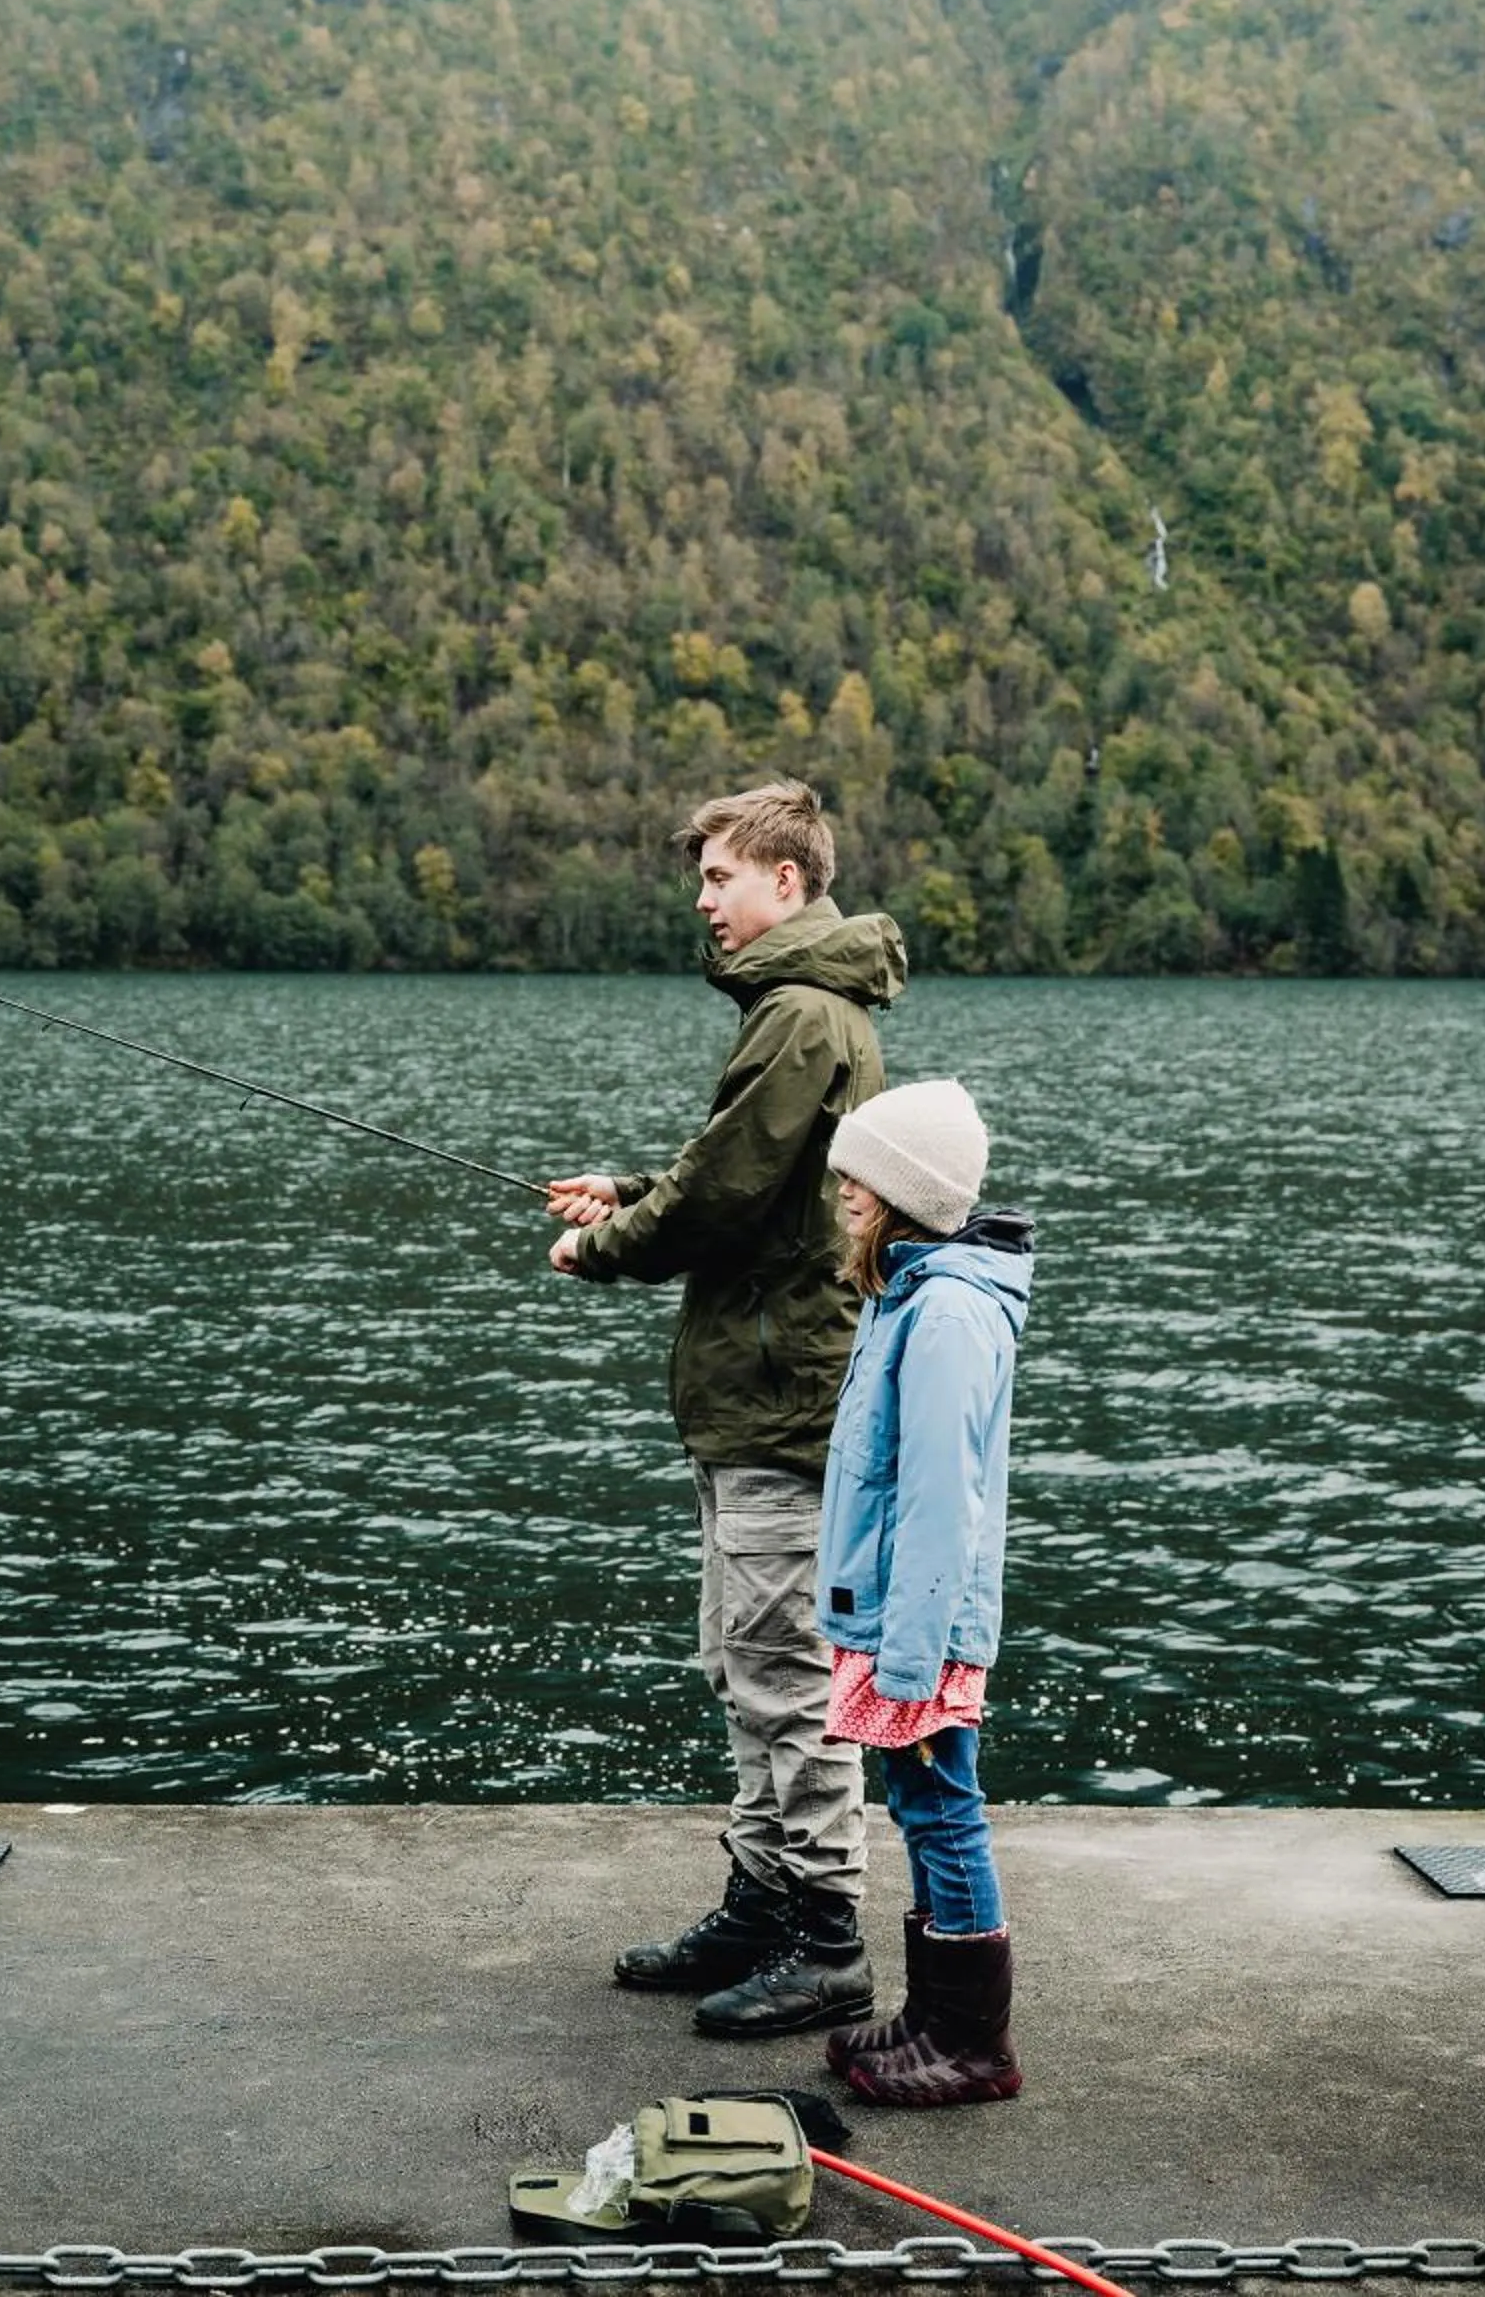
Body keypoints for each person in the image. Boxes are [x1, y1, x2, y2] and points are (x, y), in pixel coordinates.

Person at [545, 779, 906, 2039]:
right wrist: (631, 1188)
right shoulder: (804, 1012)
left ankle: (824, 1943)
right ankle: (760, 1905)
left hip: (779, 1397)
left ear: (786, 883)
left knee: (786, 1680)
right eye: (701, 878)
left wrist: (608, 1247)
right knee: (745, 1666)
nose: (703, 901)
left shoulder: (800, 1014)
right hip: (752, 1394)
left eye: (720, 877)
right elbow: (750, 1177)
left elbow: (721, 1204)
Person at [811, 1076, 1034, 2106]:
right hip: (898, 1618)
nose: (843, 1184)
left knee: (945, 1809)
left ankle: (974, 2044)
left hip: (923, 1627)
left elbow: (942, 1504)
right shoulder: (906, 1291)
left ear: (909, 1188)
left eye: (864, 1170)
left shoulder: (943, 1312)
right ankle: (934, 2015)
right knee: (917, 1804)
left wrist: (906, 1661)